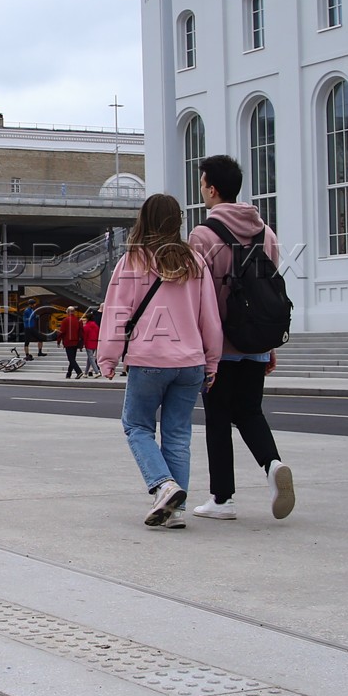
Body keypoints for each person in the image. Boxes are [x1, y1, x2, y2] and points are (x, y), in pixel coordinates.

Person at [95, 193, 221, 530]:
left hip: (149, 359)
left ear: (144, 220)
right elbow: (209, 316)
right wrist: (212, 361)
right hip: (191, 362)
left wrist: (107, 357)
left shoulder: (133, 262)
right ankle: (174, 512)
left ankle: (164, 485)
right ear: (177, 221)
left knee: (137, 426)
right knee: (178, 434)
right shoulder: (195, 262)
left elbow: (116, 313)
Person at [188, 154, 296, 522]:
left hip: (221, 345)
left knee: (217, 418)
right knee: (249, 411)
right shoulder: (266, 232)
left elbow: (197, 297)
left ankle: (222, 499)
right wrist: (267, 347)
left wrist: (202, 349)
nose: (201, 189)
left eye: (202, 183)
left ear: (213, 188)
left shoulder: (202, 236)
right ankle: (272, 465)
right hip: (256, 341)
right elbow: (269, 290)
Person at [58, 306, 86, 379]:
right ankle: (69, 373)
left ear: (68, 312)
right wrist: (82, 343)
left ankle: (78, 371)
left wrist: (58, 341)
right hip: (76, 341)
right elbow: (81, 332)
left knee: (71, 359)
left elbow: (62, 332)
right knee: (72, 358)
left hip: (68, 342)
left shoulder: (65, 320)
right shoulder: (79, 321)